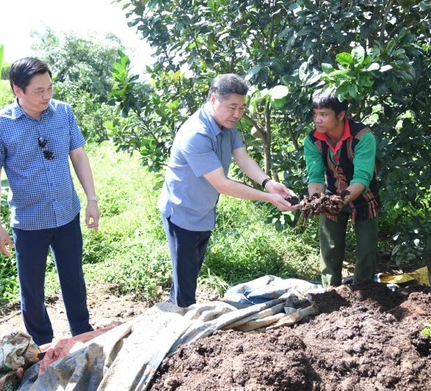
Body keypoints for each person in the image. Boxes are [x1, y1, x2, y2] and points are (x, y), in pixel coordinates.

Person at [0, 57, 99, 346]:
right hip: (29, 221)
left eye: (49, 88)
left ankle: (82, 335)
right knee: (32, 291)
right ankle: (42, 344)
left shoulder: (63, 113)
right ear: (17, 90)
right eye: (38, 91)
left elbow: (79, 156)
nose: (46, 96)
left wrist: (91, 199)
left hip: (66, 213)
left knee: (74, 279)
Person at [158, 73, 298, 308]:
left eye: (242, 108)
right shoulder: (196, 134)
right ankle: (182, 328)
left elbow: (242, 158)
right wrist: (268, 198)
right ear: (213, 99)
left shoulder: (228, 125)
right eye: (232, 107)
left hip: (204, 211)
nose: (237, 114)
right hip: (182, 214)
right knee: (185, 285)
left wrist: (268, 183)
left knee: (189, 274)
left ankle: (181, 310)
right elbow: (222, 184)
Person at [302, 88, 380, 287]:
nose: (317, 120)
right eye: (315, 114)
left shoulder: (363, 137)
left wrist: (341, 200)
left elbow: (362, 178)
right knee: (329, 251)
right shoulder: (312, 140)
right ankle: (330, 294)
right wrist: (316, 201)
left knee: (366, 251)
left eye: (324, 114)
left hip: (364, 198)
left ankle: (366, 293)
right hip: (330, 194)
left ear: (341, 115)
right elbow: (316, 176)